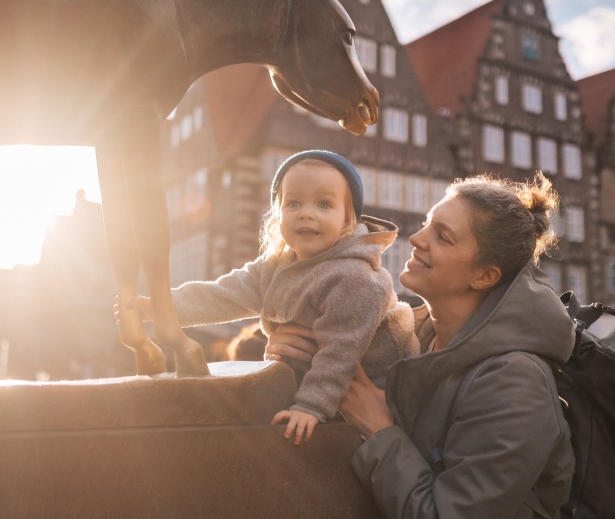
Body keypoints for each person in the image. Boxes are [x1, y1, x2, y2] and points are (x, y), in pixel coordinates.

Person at [266, 173, 577, 518]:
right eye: (427, 224)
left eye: (442, 237)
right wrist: (291, 354)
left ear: (484, 276)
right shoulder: (405, 338)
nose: (415, 238)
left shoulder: (516, 383)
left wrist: (380, 430)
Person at [121, 150, 418, 445]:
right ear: (278, 214)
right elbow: (220, 295)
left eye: (324, 204)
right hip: (327, 389)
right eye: (293, 203)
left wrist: (311, 406)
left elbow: (340, 353)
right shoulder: (277, 266)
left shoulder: (355, 277)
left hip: (382, 395)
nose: (306, 212)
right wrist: (160, 307)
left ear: (347, 221)